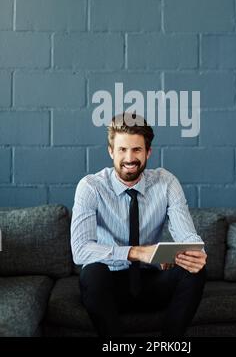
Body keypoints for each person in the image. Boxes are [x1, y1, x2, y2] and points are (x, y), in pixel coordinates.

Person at [71, 112, 207, 338]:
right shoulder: (91, 187)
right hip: (109, 284)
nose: (129, 158)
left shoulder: (166, 182)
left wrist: (196, 254)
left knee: (195, 271)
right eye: (122, 150)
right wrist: (138, 253)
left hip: (150, 282)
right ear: (111, 151)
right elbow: (80, 251)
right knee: (92, 273)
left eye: (136, 150)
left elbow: (188, 237)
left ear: (148, 152)